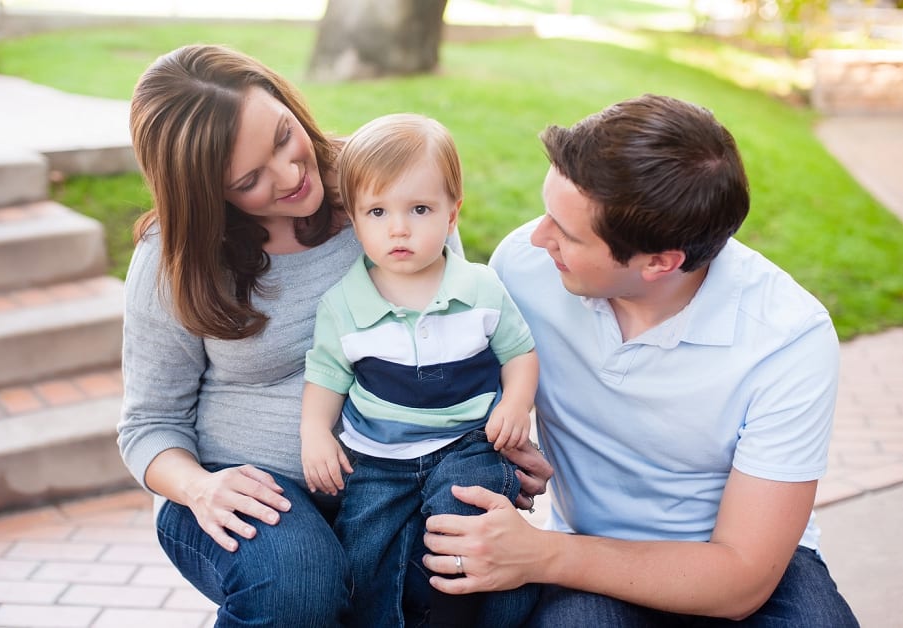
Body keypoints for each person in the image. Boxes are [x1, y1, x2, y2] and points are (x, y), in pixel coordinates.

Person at [116, 44, 552, 627]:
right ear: (206, 193)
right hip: (244, 490)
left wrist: (498, 439)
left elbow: (457, 331)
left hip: (400, 469)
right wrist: (198, 488)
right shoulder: (175, 259)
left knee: (464, 572)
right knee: (301, 585)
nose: (291, 175)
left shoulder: (385, 183)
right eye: (249, 179)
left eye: (282, 137)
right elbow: (148, 425)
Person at [421, 94, 860, 626]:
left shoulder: (788, 339)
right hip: (594, 551)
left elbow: (743, 575)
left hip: (741, 565)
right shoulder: (527, 266)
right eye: (547, 213)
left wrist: (543, 555)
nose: (539, 237)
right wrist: (507, 449)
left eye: (568, 232)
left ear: (659, 262)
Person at [300, 113, 539, 627]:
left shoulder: (480, 288)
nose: (399, 228)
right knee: (363, 551)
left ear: (453, 214)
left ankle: (455, 617)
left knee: (468, 514)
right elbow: (326, 377)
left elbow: (519, 351)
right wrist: (315, 433)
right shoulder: (344, 304)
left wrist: (517, 404)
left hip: (468, 440)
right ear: (355, 221)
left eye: (420, 208)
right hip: (378, 457)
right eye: (378, 211)